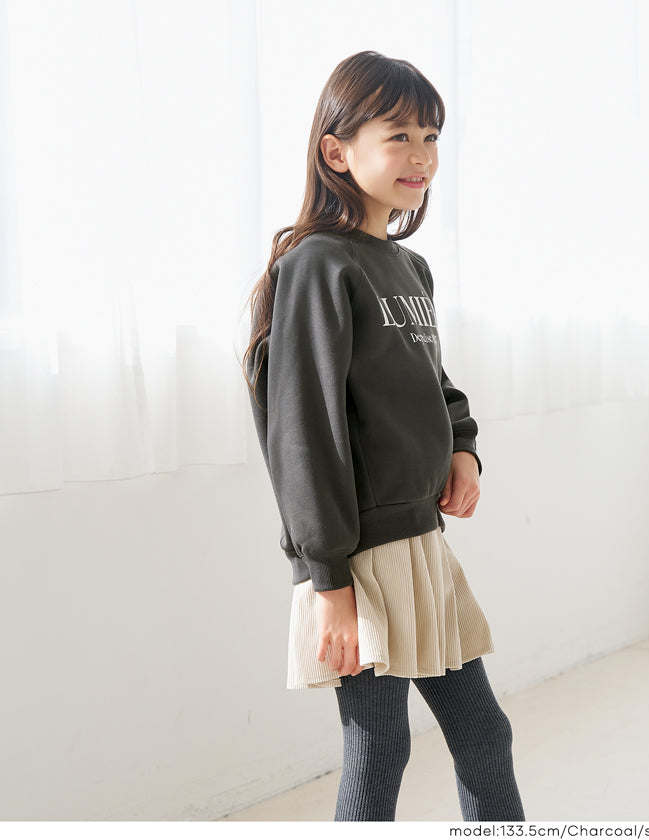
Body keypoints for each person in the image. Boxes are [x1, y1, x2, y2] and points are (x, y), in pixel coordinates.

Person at [241, 50, 525, 823]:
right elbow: (303, 434)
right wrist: (327, 580)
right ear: (337, 152)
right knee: (380, 747)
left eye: (431, 137)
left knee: (484, 733)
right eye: (399, 135)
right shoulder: (317, 267)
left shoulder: (409, 268)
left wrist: (462, 446)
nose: (421, 156)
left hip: (421, 544)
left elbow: (434, 384)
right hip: (358, 557)